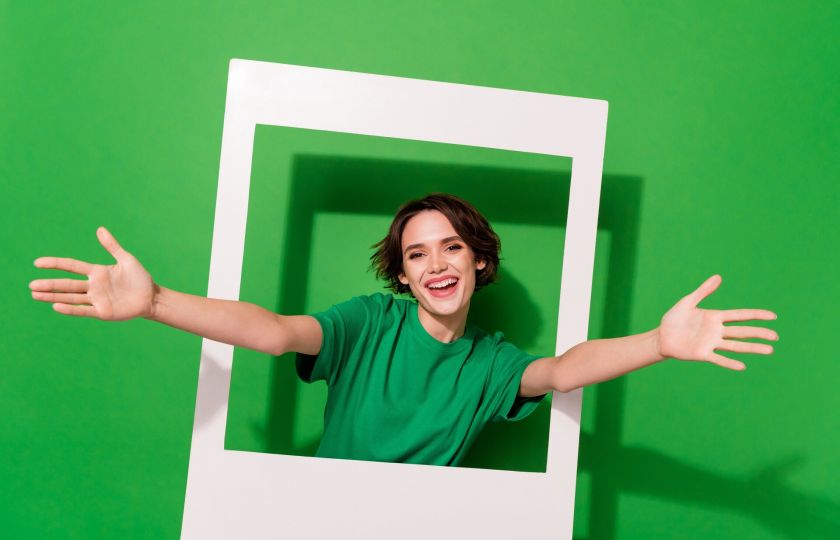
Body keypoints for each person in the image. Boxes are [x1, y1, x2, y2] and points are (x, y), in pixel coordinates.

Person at [29, 193, 778, 466]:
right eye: (417, 254)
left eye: (451, 247)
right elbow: (274, 333)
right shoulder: (368, 323)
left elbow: (562, 371)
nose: (436, 264)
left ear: (479, 260)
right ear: (404, 275)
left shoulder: (491, 364)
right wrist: (156, 301)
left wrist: (660, 343)